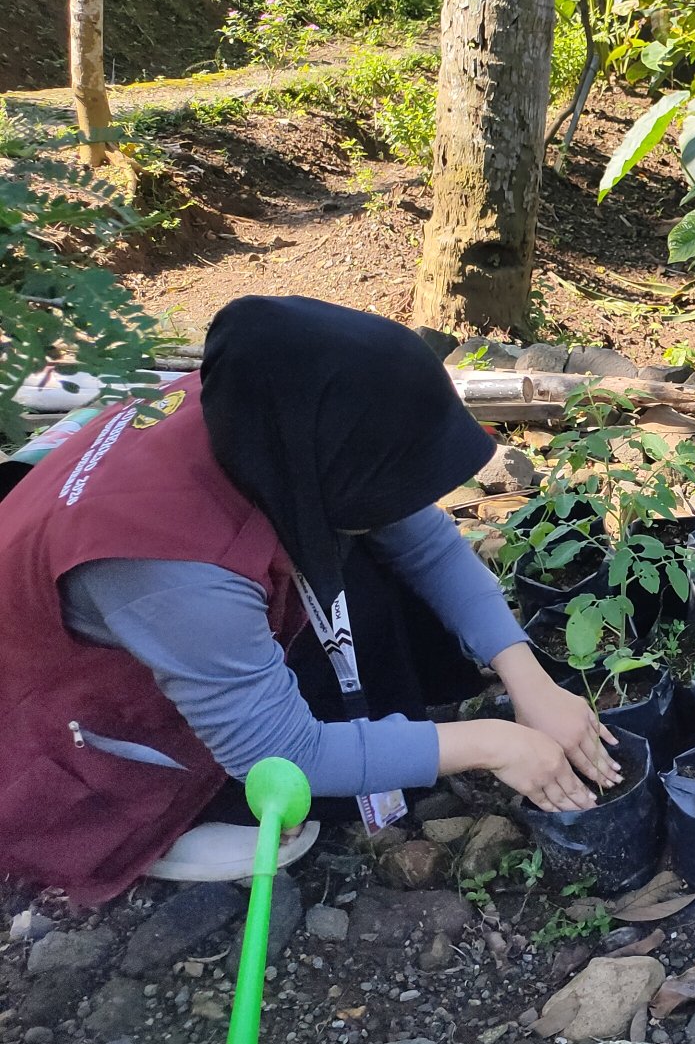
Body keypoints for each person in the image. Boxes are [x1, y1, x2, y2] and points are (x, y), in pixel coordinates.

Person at [0, 296, 619, 905]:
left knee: (368, 580)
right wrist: (493, 744)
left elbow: (424, 540)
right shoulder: (171, 569)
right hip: (65, 700)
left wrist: (528, 678)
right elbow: (284, 752)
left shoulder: (269, 410)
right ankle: (162, 827)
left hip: (173, 614)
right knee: (275, 796)